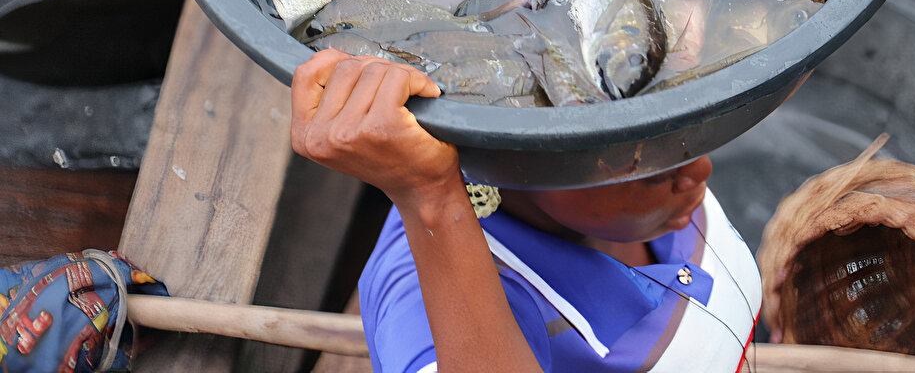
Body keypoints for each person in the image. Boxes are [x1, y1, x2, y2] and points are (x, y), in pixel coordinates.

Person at [290, 49, 761, 372]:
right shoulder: (417, 305)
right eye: (645, 163)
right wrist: (430, 197)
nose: (700, 168)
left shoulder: (648, 198)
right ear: (520, 162)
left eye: (687, 135)